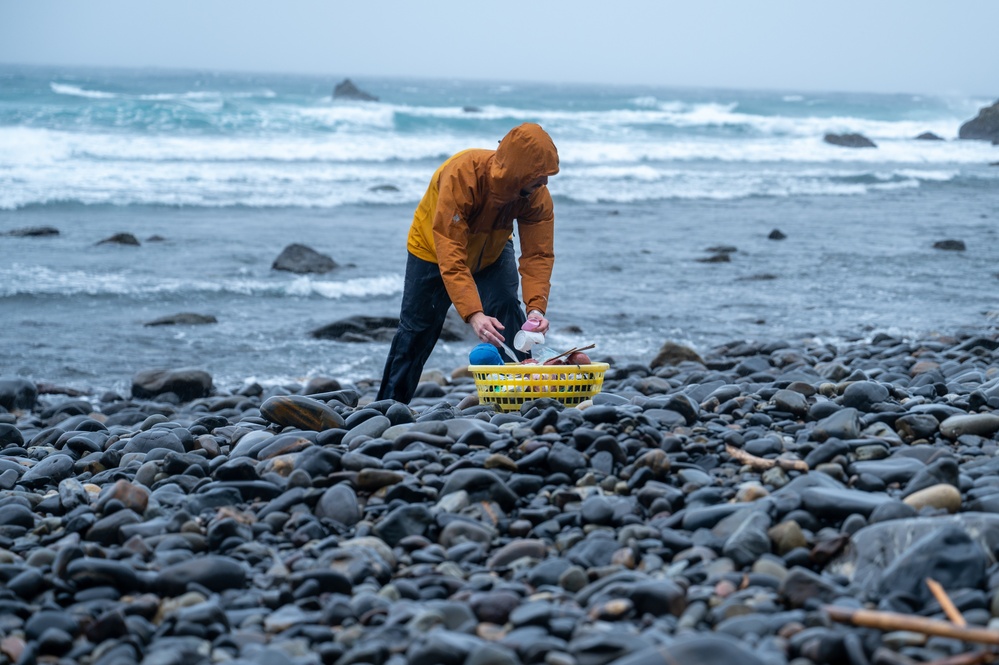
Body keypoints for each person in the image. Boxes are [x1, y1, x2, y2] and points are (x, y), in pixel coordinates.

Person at [377, 122, 560, 403]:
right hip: (433, 249)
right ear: (518, 172)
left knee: (508, 310)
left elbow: (538, 254)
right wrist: (473, 313)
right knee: (417, 330)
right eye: (539, 176)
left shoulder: (535, 195)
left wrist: (536, 308)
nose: (545, 183)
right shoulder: (463, 174)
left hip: (493, 249)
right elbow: (450, 250)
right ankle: (388, 408)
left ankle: (523, 396)